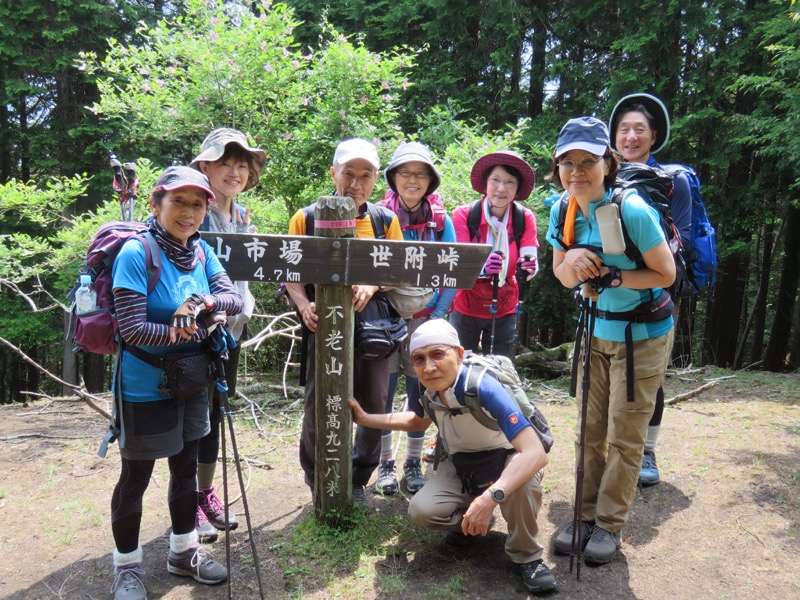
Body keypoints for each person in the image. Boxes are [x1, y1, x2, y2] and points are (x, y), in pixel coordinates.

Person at [545, 116, 675, 565]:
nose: (577, 170)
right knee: (588, 430)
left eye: (588, 161)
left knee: (625, 433)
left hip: (642, 335)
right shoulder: (561, 209)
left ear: (608, 162)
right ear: (557, 166)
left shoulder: (633, 210)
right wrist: (576, 258)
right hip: (594, 329)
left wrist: (615, 274)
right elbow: (563, 277)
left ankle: (609, 525)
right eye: (568, 162)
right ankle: (582, 516)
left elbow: (666, 273)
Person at [109, 166, 244, 599]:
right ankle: (126, 567)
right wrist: (179, 331)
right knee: (137, 476)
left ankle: (182, 551)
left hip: (192, 379)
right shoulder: (137, 253)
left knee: (186, 468)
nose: (189, 212)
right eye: (178, 202)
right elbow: (131, 329)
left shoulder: (202, 252)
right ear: (156, 203)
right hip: (145, 385)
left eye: (198, 204)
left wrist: (205, 301)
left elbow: (232, 297)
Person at [348, 319, 557, 595]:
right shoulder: (425, 386)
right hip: (460, 463)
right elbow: (418, 421)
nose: (429, 366)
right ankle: (470, 523)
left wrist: (490, 497)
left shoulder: (483, 386)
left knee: (524, 484)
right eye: (419, 359)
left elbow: (534, 453)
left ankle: (528, 557)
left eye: (438, 354)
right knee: (423, 510)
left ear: (459, 354)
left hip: (508, 458)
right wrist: (365, 418)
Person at [285, 138, 403, 509]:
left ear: (375, 180)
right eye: (348, 173)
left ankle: (356, 480)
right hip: (323, 323)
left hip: (374, 326)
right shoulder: (306, 217)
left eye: (365, 175)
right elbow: (289, 270)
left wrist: (372, 283)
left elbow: (398, 268)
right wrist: (303, 304)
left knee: (374, 405)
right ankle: (318, 479)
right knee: (319, 403)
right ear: (333, 173)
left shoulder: (385, 219)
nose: (356, 183)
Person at [609, 93, 691, 487]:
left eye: (639, 129)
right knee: (608, 374)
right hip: (609, 294)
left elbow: (684, 237)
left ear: (653, 135)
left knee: (650, 376)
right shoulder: (602, 177)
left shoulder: (674, 180)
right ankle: (618, 447)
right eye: (623, 129)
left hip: (658, 291)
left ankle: (648, 450)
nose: (630, 136)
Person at [189, 128, 266, 542]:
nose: (234, 172)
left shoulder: (240, 216)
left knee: (216, 413)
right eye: (225, 163)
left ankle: (204, 494)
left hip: (231, 332)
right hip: (195, 333)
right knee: (193, 419)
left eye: (241, 165)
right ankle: (187, 503)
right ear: (205, 166)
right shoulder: (194, 210)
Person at [374, 141, 458, 496]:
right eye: (405, 173)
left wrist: (437, 315)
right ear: (393, 178)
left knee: (419, 393)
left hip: (427, 321)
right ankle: (384, 465)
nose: (413, 180)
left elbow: (454, 270)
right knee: (381, 391)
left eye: (420, 174)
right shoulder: (377, 216)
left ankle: (411, 463)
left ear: (430, 180)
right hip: (384, 319)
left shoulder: (441, 221)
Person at [450, 151, 539, 359]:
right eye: (495, 180)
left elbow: (529, 257)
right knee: (460, 366)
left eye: (509, 182)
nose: (501, 188)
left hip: (505, 305)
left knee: (501, 368)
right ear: (485, 183)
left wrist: (529, 268)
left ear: (517, 189)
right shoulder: (464, 215)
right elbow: (458, 261)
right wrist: (481, 267)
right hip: (466, 303)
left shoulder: (524, 218)